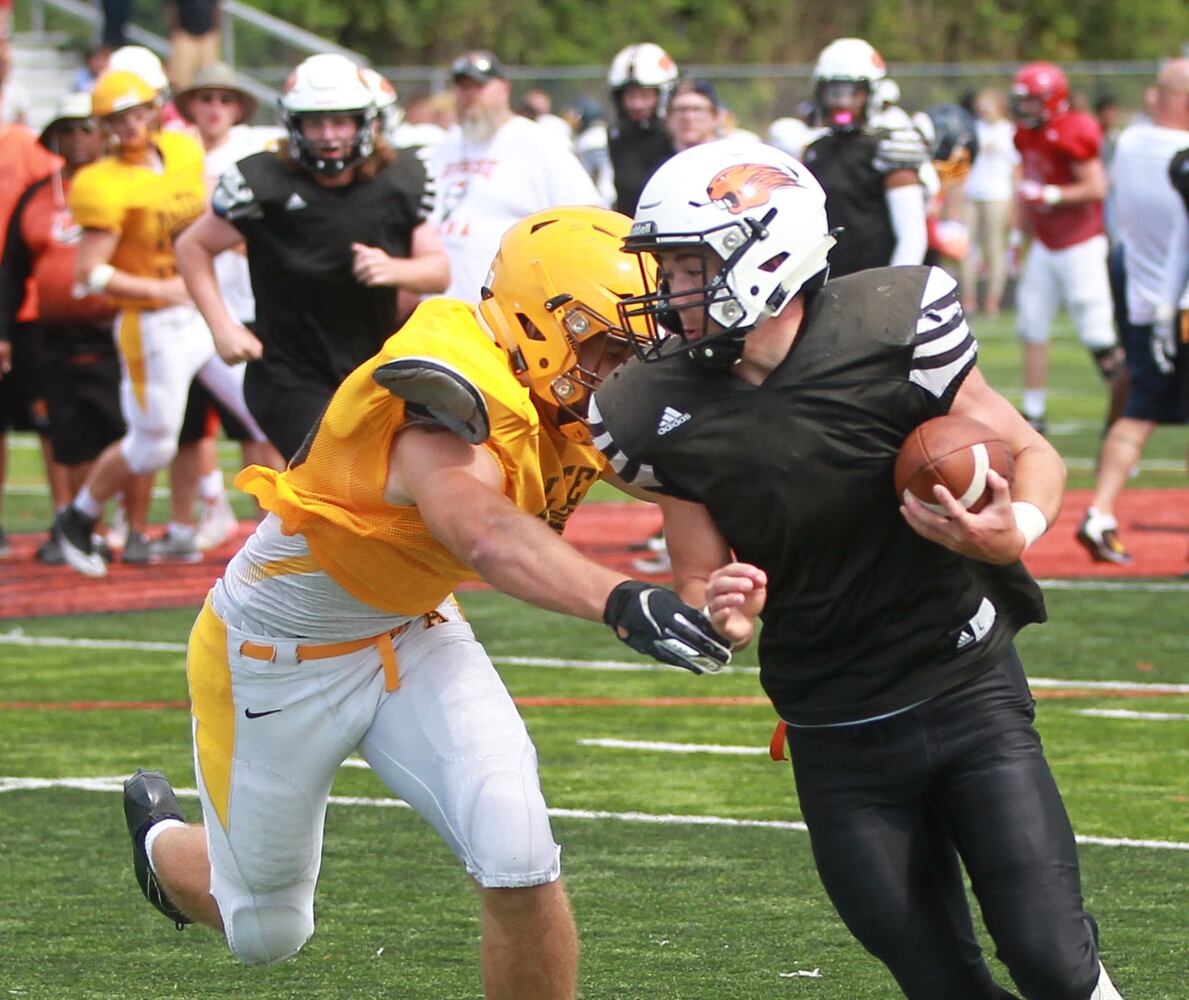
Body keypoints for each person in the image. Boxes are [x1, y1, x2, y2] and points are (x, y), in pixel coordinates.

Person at [119, 207, 730, 1000]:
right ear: (540, 321)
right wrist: (620, 599)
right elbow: (481, 531)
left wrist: (700, 588)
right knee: (266, 931)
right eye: (608, 348)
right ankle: (164, 844)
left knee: (517, 854)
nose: (622, 372)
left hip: (415, 630)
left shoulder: (561, 384)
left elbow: (673, 470)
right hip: (276, 655)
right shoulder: (440, 379)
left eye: (635, 351)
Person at [592, 139, 1125, 1000]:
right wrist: (722, 611)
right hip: (832, 727)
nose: (671, 290)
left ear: (766, 251)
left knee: (1049, 959)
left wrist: (1011, 530)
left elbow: (1028, 451)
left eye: (689, 264)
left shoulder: (888, 327)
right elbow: (698, 574)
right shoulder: (652, 405)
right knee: (938, 982)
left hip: (964, 693)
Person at [176, 52, 448, 461]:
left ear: (365, 122)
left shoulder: (398, 179)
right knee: (337, 474)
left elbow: (438, 271)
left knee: (380, 487)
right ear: (294, 124)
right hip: (287, 371)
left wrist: (395, 269)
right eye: (315, 122)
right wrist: (222, 327)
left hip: (370, 365)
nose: (328, 134)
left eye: (340, 121)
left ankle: (277, 529)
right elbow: (192, 245)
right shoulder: (265, 181)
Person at [50, 66, 264, 578]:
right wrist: (162, 288)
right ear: (103, 125)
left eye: (139, 111)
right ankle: (77, 520)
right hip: (153, 325)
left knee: (265, 405)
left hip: (202, 309)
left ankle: (291, 533)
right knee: (154, 444)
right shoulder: (100, 182)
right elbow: (90, 274)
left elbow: (203, 209)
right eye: (118, 118)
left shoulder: (184, 151)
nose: (132, 125)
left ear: (157, 108)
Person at [0, 93, 122, 565]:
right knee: (62, 430)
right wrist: (5, 332)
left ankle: (122, 528)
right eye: (67, 131)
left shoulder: (126, 185)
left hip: (119, 324)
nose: (77, 140)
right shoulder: (36, 195)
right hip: (51, 330)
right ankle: (70, 523)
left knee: (127, 429)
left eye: (86, 129)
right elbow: (12, 269)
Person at [169, 61, 284, 553]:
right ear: (191, 105)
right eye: (205, 98)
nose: (214, 108)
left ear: (237, 107)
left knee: (259, 421)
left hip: (243, 302)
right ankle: (187, 522)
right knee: (186, 428)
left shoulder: (253, 155)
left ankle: (277, 528)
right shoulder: (175, 155)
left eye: (223, 99)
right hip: (181, 305)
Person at [1076, 60, 1189, 564]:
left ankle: (1099, 512)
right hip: (1180, 302)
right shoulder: (1176, 156)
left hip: (1146, 307)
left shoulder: (1129, 145)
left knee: (1138, 413)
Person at [1010, 61, 1126, 435]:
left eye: (1031, 101)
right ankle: (1034, 413)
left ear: (1052, 100)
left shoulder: (1074, 129)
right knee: (1031, 324)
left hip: (1081, 243)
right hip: (1045, 242)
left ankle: (1123, 416)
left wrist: (1050, 193)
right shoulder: (1025, 135)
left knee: (1098, 336)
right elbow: (1027, 195)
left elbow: (1097, 187)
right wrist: (1018, 239)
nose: (1024, 108)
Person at [431, 50, 599, 303]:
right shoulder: (447, 144)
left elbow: (588, 218)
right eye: (463, 88)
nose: (470, 96)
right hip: (440, 314)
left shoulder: (536, 143)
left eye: (479, 87)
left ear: (505, 89)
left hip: (505, 314)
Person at [0, 70, 63, 556]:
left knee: (51, 418)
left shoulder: (22, 145)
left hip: (26, 304)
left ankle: (68, 519)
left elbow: (54, 200)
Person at [801, 37, 928, 278]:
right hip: (827, 278)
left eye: (853, 94)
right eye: (833, 92)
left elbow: (912, 235)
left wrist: (892, 285)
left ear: (872, 93)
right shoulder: (816, 149)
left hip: (874, 278)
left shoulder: (890, 146)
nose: (841, 103)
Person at [962, 88, 1018, 316]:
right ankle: (968, 298)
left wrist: (1016, 203)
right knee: (966, 248)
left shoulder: (1009, 131)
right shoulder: (974, 129)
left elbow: (1016, 168)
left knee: (995, 247)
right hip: (973, 193)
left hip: (998, 194)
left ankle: (993, 299)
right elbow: (963, 165)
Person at [606, 42, 677, 215]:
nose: (636, 104)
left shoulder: (678, 135)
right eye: (630, 95)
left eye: (645, 95)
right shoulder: (616, 136)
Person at [666, 78, 723, 152]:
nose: (688, 117)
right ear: (668, 118)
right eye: (680, 109)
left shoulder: (733, 159)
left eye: (697, 109)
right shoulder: (654, 157)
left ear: (715, 117)